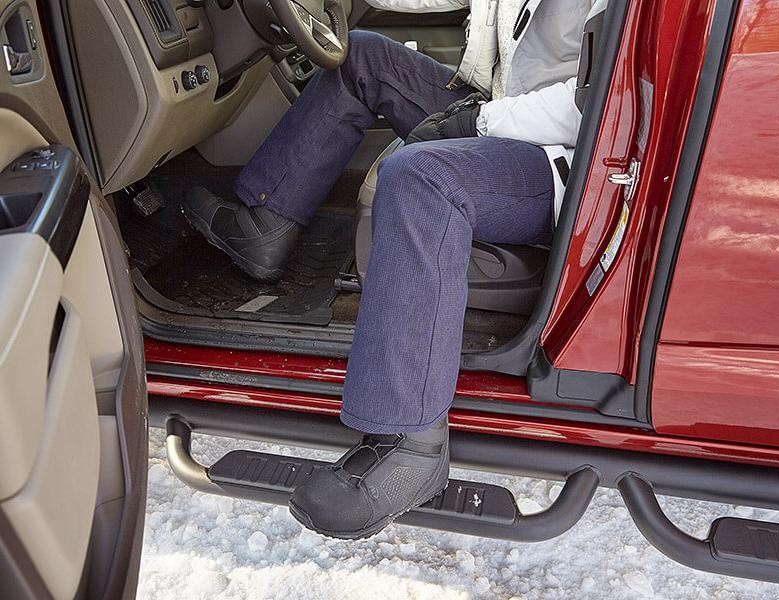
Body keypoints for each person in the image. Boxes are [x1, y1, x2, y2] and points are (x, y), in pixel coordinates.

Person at [183, 0, 607, 539]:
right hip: (505, 112)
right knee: (361, 57)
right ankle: (265, 221)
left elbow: (597, 98)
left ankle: (409, 444)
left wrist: (475, 122)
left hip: (564, 157)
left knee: (421, 176)